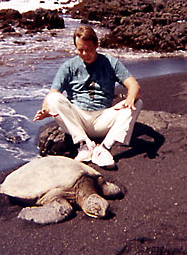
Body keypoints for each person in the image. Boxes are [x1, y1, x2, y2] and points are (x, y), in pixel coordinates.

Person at [34, 25, 142, 168]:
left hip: (103, 119)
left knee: (137, 102)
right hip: (77, 121)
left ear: (96, 45)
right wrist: (45, 110)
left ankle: (104, 149)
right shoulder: (69, 66)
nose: (84, 53)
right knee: (53, 99)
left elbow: (134, 85)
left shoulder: (111, 63)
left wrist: (129, 99)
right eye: (80, 50)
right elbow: (53, 93)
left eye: (88, 49)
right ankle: (84, 145)